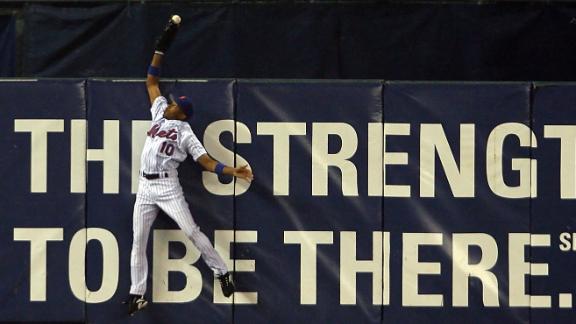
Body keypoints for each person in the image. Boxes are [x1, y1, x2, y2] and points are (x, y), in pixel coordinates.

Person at [125, 15, 254, 316]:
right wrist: (162, 45)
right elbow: (152, 80)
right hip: (145, 185)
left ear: (181, 113)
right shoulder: (159, 113)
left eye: (174, 104)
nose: (168, 103)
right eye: (170, 102)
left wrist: (231, 170)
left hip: (168, 187)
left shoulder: (184, 132)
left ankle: (221, 271)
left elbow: (205, 161)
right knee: (138, 242)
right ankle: (136, 294)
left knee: (192, 232)